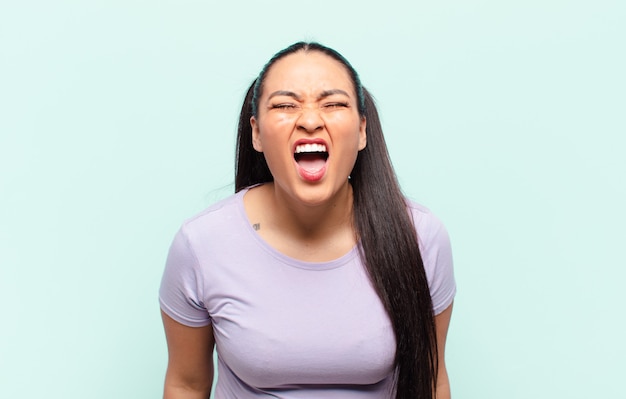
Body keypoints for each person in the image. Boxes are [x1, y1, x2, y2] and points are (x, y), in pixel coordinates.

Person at [159, 42, 456, 399]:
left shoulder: (420, 236)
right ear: (256, 133)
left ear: (362, 130)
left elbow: (432, 380)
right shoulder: (201, 243)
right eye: (285, 105)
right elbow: (186, 384)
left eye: (333, 104)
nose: (311, 120)